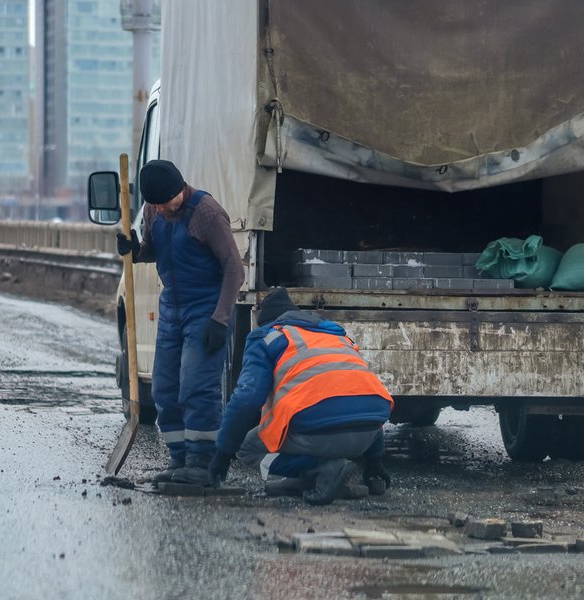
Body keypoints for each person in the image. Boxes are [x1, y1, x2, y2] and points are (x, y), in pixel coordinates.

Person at [115, 160, 245, 485]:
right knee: (164, 388)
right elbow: (155, 250)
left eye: (166, 202)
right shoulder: (153, 211)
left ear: (181, 189)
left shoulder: (207, 214)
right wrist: (135, 251)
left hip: (206, 310)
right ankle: (179, 459)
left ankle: (203, 463)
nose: (161, 209)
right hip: (171, 310)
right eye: (155, 204)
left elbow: (234, 268)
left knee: (196, 387)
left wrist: (221, 318)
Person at [206, 288, 394, 505]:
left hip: (316, 431)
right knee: (347, 400)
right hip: (367, 433)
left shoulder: (266, 336)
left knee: (245, 448)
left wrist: (223, 453)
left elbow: (247, 398)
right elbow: (359, 393)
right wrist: (374, 462)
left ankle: (318, 470)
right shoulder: (338, 337)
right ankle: (321, 479)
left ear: (266, 321)